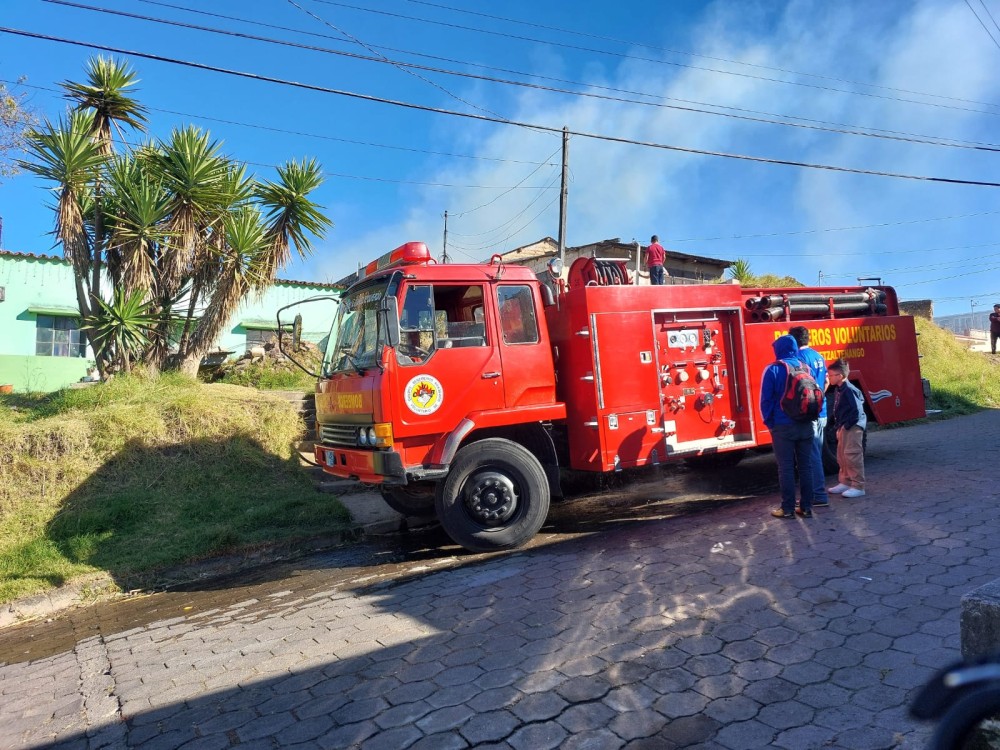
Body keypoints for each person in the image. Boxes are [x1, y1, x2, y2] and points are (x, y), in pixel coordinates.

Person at [760, 334, 815, 518]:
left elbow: (766, 401)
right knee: (806, 466)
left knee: (786, 468)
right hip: (806, 423)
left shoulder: (773, 369)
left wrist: (770, 424)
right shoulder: (805, 367)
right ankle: (807, 507)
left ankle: (788, 509)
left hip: (783, 426)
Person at [789, 326, 829, 508]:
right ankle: (817, 493)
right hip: (822, 411)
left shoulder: (799, 359)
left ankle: (818, 495)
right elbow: (826, 382)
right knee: (816, 453)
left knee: (811, 456)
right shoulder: (818, 356)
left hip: (810, 414)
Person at [827, 358, 867, 498]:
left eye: (831, 375)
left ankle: (858, 486)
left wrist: (847, 426)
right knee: (842, 455)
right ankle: (845, 481)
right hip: (844, 426)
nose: (828, 377)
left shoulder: (849, 390)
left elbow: (856, 411)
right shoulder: (840, 389)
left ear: (840, 376)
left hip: (852, 427)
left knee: (852, 455)